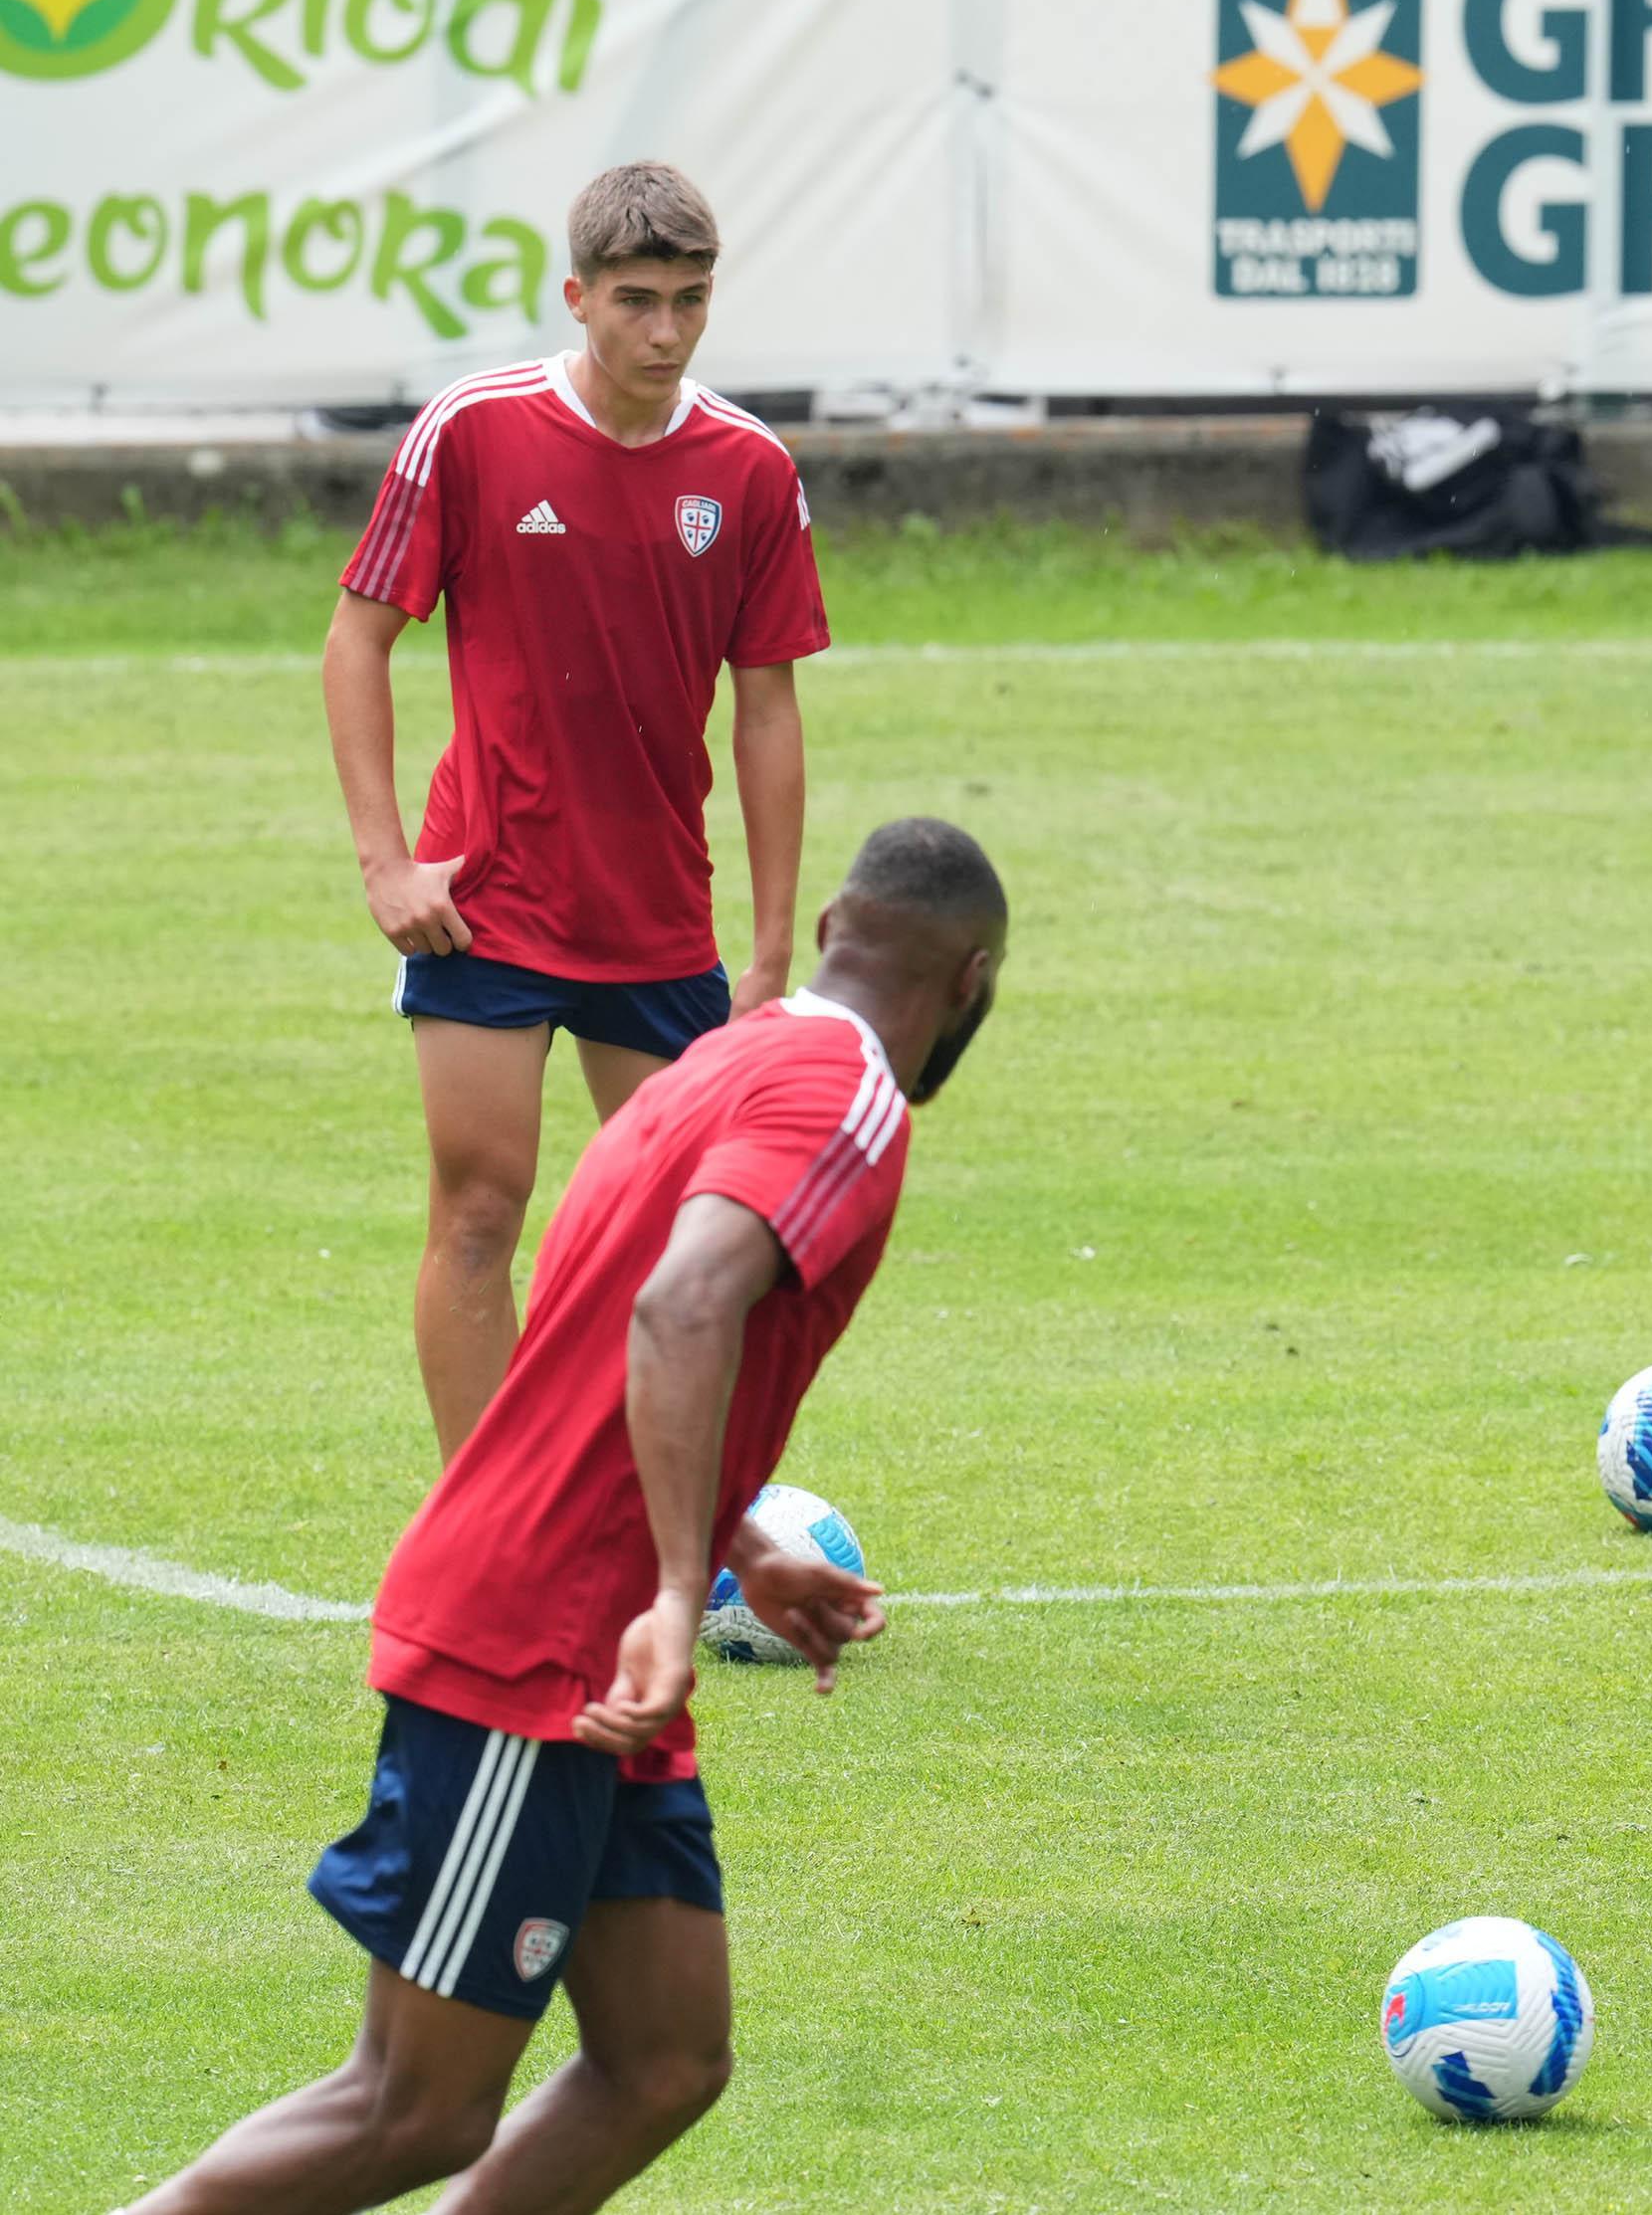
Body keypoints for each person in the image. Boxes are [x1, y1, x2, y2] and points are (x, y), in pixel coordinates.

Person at [131, 820, 1006, 2215]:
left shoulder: (723, 1060)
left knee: (664, 2058)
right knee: (414, 2110)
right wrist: (675, 1596)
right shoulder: (846, 1097)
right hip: (541, 1639)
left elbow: (610, 1334)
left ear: (835, 919)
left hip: (595, 1635)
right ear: (969, 981)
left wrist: (742, 1548)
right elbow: (678, 1307)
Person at [327, 160, 828, 1461]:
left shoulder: (751, 470)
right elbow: (356, 641)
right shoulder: (474, 432)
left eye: (691, 301)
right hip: (484, 901)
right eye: (636, 301)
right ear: (578, 296)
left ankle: (647, 1518)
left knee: (676, 1239)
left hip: (658, 916)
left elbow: (765, 708)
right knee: (482, 1212)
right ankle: (481, 1536)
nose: (664, 333)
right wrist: (388, 864)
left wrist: (768, 953)